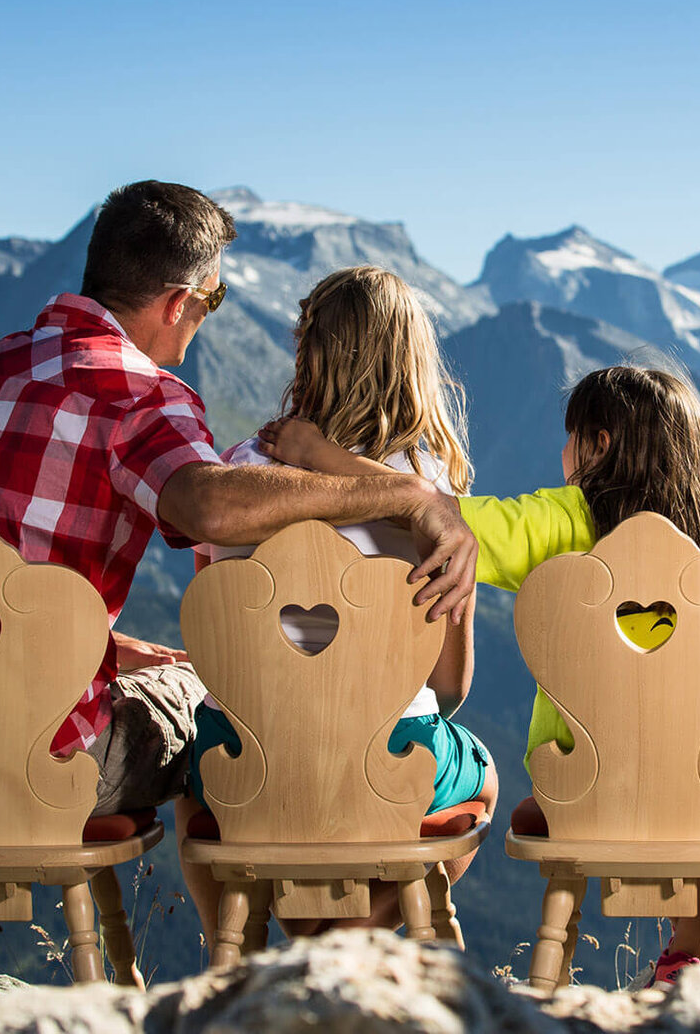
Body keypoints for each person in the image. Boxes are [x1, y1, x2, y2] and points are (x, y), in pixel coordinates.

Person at [0, 181, 476, 986]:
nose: (207, 317)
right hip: (42, 764)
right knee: (200, 697)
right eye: (215, 298)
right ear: (177, 301)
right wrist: (409, 494)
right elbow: (207, 506)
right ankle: (283, 980)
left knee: (163, 684)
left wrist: (103, 647)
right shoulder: (139, 395)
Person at [264, 363, 700, 986]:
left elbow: (445, 515)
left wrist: (321, 454)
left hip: (580, 781)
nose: (563, 451)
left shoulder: (563, 523)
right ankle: (690, 947)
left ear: (598, 445)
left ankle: (684, 948)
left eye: (571, 436)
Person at [180, 265, 498, 941]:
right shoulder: (433, 498)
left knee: (194, 787)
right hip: (380, 759)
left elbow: (217, 647)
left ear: (307, 354)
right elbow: (448, 689)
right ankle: (353, 945)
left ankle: (234, 957)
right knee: (479, 774)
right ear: (412, 364)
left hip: (247, 760)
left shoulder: (240, 469)